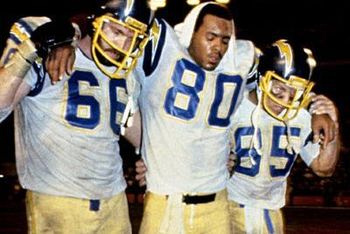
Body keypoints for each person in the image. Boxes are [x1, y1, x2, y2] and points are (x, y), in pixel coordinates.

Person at [45, 2, 337, 233]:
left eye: (225, 39)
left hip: (217, 202)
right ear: (189, 32)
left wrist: (314, 107)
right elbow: (114, 24)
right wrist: (69, 34)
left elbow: (277, 84)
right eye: (210, 37)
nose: (219, 47)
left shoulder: (242, 57)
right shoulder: (162, 45)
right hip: (166, 203)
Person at [0, 0, 153, 233]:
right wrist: (30, 49)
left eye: (133, 37)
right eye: (118, 31)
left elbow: (130, 125)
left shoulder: (125, 73)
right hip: (59, 200)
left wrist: (157, 160)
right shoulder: (50, 52)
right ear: (95, 21)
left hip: (115, 201)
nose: (123, 44)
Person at [227, 39, 340, 233]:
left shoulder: (302, 116)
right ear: (262, 77)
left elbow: (324, 168)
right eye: (279, 88)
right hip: (225, 203)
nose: (285, 101)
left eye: (294, 92)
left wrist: (333, 121)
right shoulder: (233, 104)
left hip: (268, 209)